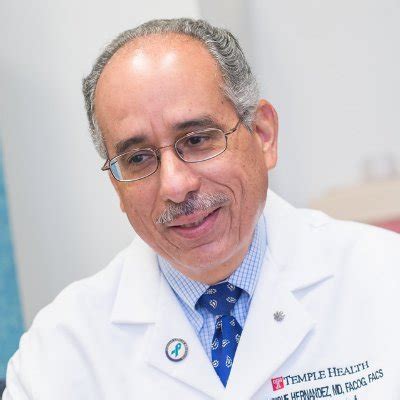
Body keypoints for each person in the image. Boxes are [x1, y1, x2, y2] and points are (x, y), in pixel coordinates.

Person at [4, 18, 400, 400]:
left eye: (196, 140)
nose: (175, 186)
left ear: (263, 135)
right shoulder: (60, 351)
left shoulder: (384, 278)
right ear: (116, 185)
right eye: (138, 159)